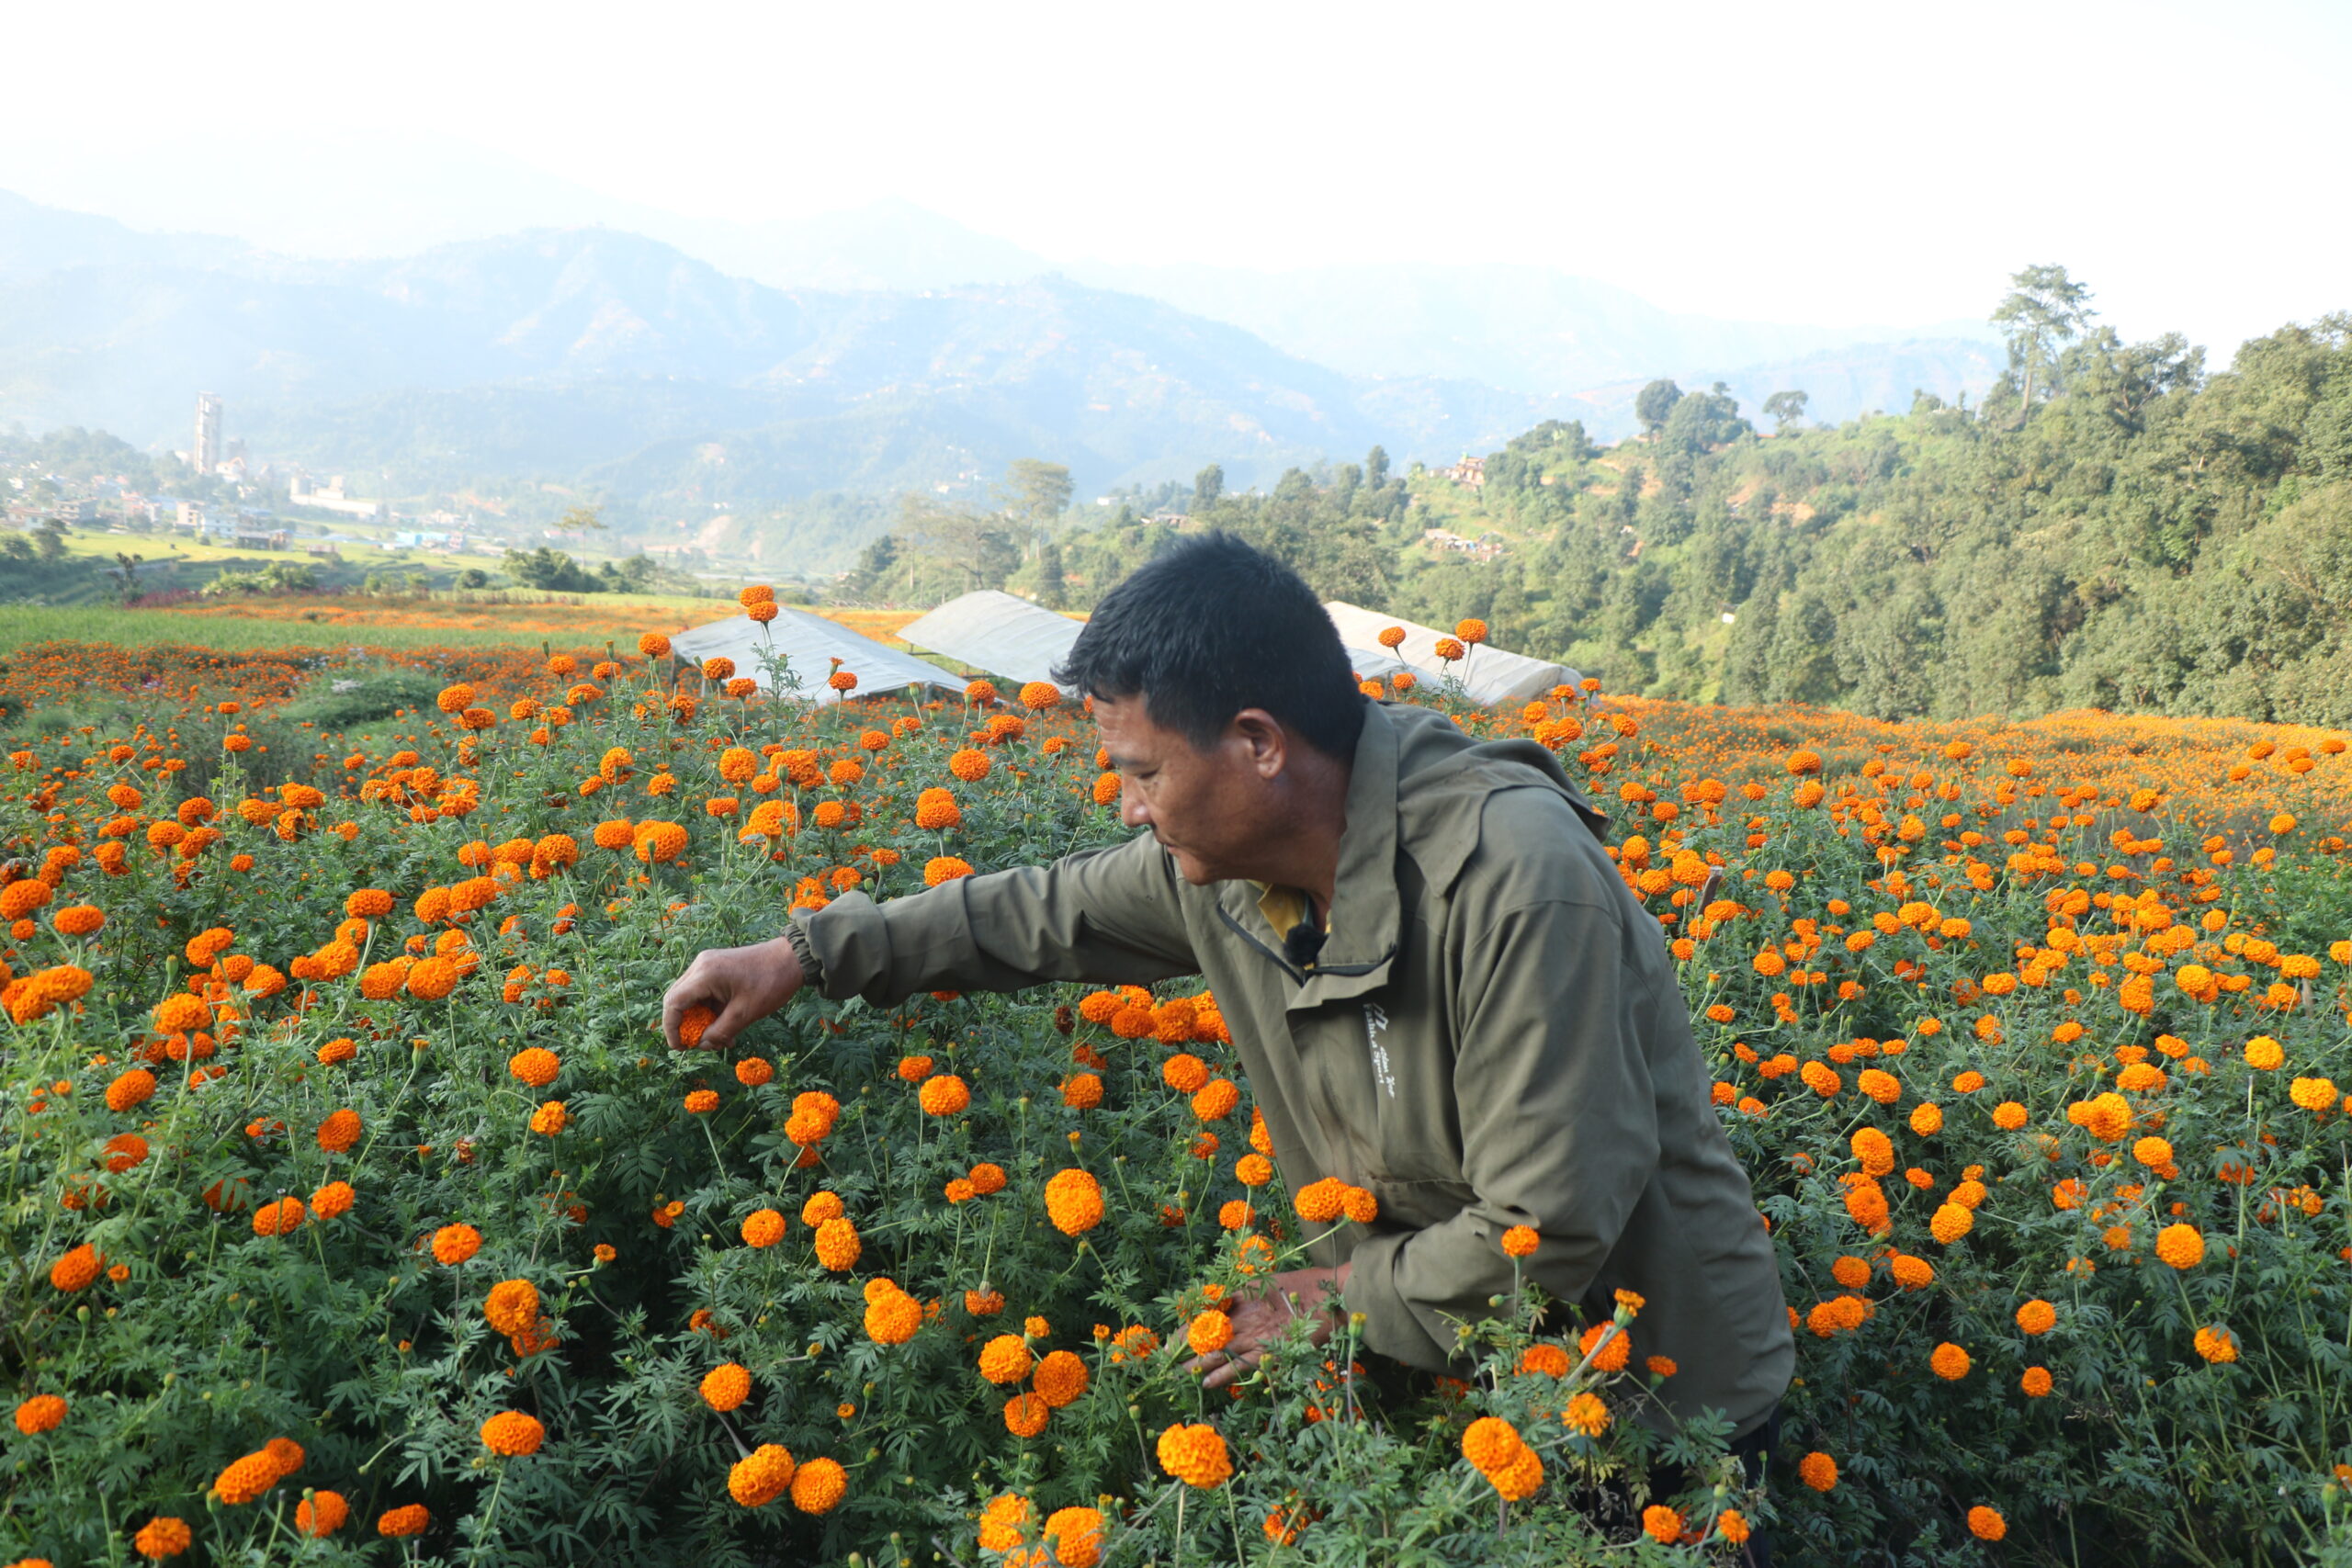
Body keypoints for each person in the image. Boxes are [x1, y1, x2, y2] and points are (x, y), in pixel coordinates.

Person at [662, 533, 1792, 1514]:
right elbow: (1040, 912)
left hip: (1642, 1404)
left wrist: (1323, 1298)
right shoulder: (1228, 867)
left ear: (1258, 742)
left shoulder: (1512, 884)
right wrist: (803, 953)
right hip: (1443, 1348)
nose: (1125, 806)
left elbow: (1547, 1225)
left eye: (1142, 771)